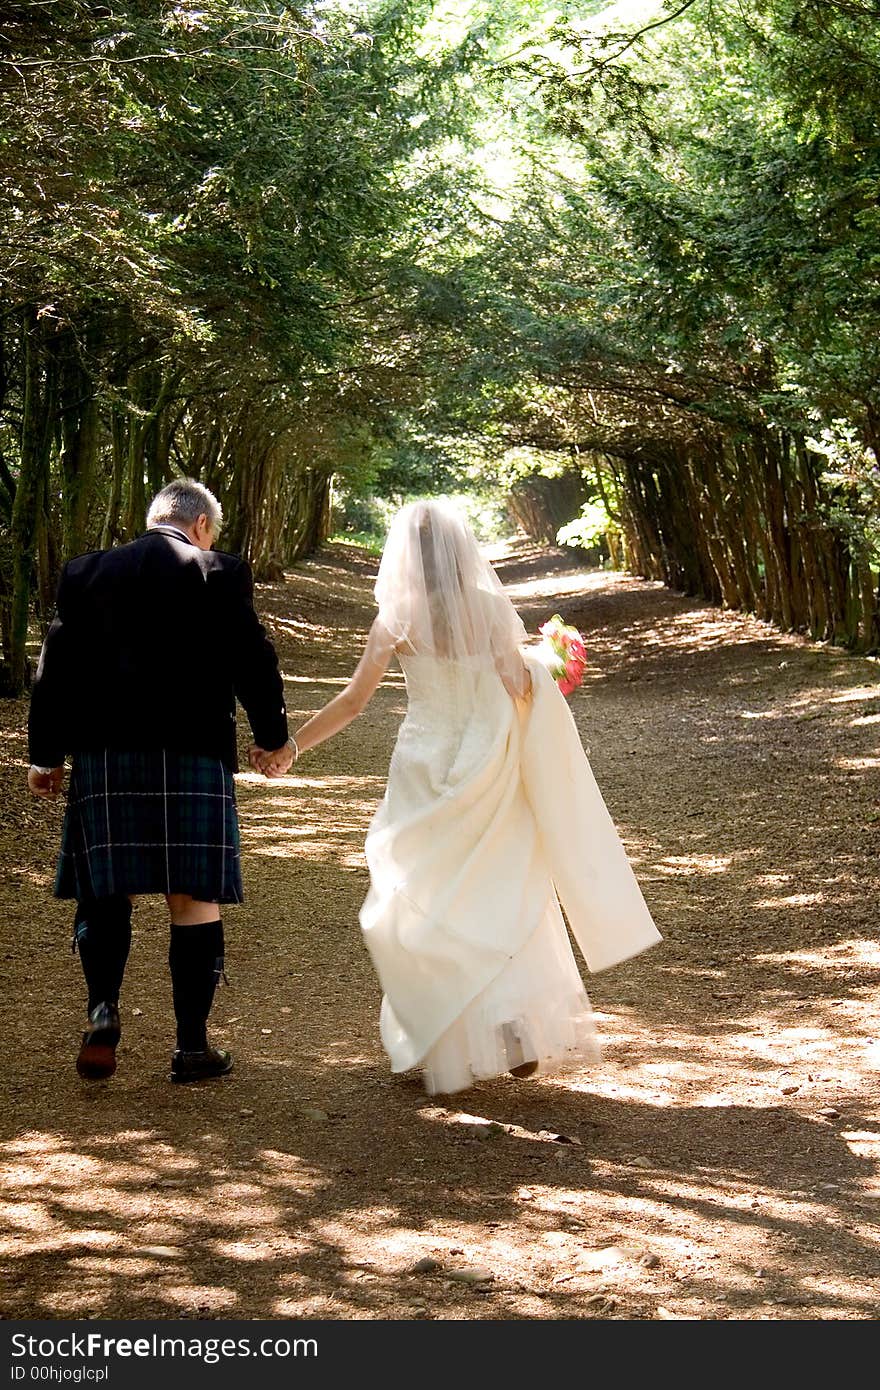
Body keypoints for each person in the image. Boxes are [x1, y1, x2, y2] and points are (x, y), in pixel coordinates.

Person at [286, 499, 661, 1095]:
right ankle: (512, 1030)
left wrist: (292, 748)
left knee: (420, 902)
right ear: (462, 551)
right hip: (487, 767)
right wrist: (551, 663)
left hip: (422, 766)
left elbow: (355, 702)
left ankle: (431, 1036)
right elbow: (517, 682)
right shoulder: (488, 608)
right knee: (499, 895)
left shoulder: (394, 621)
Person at [27, 479, 294, 1084]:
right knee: (193, 898)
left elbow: (55, 668)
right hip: (193, 755)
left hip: (104, 757)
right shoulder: (219, 572)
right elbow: (255, 659)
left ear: (155, 519)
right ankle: (191, 1048)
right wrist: (273, 736)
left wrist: (45, 755)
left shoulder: (87, 572)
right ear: (201, 525)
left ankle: (102, 1012)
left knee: (106, 889)